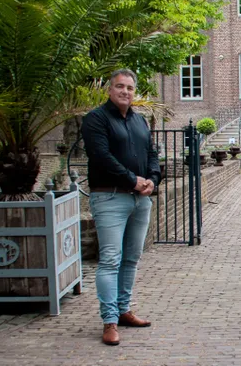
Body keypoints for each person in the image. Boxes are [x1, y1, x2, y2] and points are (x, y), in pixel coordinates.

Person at [81, 69, 160, 346]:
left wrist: (152, 179)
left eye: (129, 87)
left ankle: (124, 310)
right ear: (109, 90)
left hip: (140, 200)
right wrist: (132, 180)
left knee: (131, 258)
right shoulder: (96, 119)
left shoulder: (139, 120)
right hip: (110, 197)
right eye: (119, 87)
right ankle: (110, 320)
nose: (125, 91)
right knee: (110, 259)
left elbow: (152, 153)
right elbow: (100, 156)